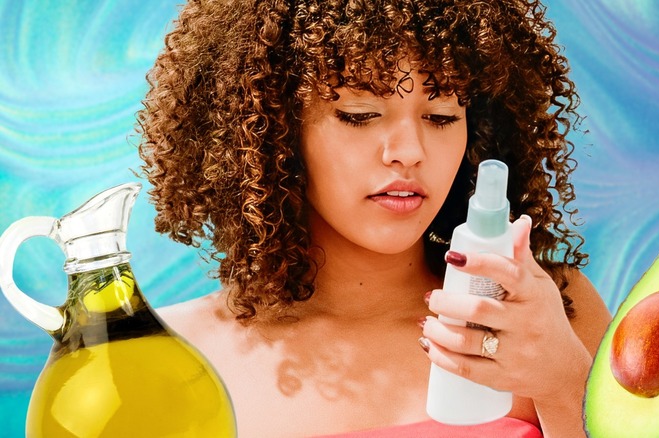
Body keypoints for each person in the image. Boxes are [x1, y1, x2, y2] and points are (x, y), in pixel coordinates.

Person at [137, 0, 612, 436]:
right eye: (360, 114)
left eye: (442, 116)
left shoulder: (547, 318)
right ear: (272, 130)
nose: (408, 153)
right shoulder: (175, 358)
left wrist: (564, 382)